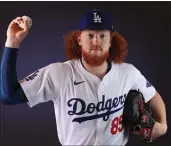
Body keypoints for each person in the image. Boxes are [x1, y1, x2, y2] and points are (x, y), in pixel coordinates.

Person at [0, 9, 167, 145]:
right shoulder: (59, 73)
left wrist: (163, 125)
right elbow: (8, 95)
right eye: (90, 35)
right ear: (79, 39)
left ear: (111, 41)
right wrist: (12, 43)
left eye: (102, 35)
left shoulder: (128, 73)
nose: (96, 41)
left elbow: (152, 94)